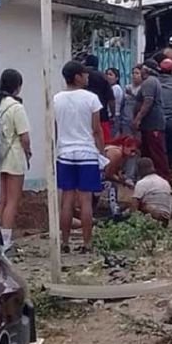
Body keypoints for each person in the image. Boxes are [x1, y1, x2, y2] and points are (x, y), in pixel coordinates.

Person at [54, 61, 104, 254]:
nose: (88, 77)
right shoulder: (91, 99)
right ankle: (87, 243)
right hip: (87, 153)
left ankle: (64, 242)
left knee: (66, 199)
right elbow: (97, 130)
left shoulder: (57, 99)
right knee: (85, 200)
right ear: (77, 77)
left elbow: (56, 129)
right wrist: (101, 152)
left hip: (65, 153)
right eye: (85, 74)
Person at [0, 69, 32, 247]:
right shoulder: (16, 107)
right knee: (12, 201)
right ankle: (6, 240)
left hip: (0, 156)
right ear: (17, 87)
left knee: (2, 200)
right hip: (15, 157)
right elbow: (24, 137)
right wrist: (29, 152)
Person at [132, 60, 170, 181]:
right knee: (149, 152)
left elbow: (148, 102)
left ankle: (163, 178)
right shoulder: (150, 82)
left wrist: (138, 118)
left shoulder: (149, 82)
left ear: (146, 69)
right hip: (149, 124)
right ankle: (151, 178)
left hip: (153, 124)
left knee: (156, 153)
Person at [103, 135, 140, 219]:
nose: (132, 154)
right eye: (132, 151)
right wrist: (124, 182)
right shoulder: (116, 153)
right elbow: (108, 174)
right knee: (112, 185)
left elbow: (116, 171)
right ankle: (114, 211)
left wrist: (121, 177)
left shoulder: (121, 154)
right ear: (125, 147)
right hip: (96, 174)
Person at [131, 157, 172, 224]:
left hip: (153, 214)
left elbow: (135, 203)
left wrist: (133, 219)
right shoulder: (164, 181)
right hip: (167, 215)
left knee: (139, 204)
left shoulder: (142, 183)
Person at [85, 54, 115, 142]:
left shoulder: (80, 76)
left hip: (84, 115)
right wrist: (113, 114)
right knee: (104, 142)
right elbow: (111, 99)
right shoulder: (103, 77)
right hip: (102, 114)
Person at [106, 67, 124, 138]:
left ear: (116, 78)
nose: (108, 76)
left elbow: (110, 100)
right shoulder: (110, 88)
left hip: (113, 116)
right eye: (107, 74)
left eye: (110, 74)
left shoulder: (116, 88)